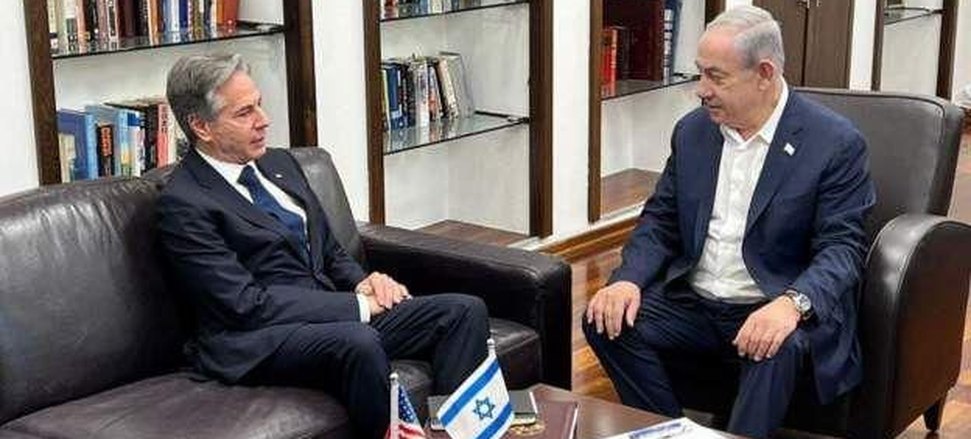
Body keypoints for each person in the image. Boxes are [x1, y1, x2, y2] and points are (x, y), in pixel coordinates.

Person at [156, 53, 489, 439]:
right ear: (201, 126)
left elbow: (327, 249)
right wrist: (357, 306)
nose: (263, 120)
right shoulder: (184, 202)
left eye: (259, 104)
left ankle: (456, 433)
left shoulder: (279, 164)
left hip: (328, 314)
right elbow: (244, 304)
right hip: (258, 338)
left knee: (463, 312)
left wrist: (362, 282)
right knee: (359, 341)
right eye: (245, 112)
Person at [583, 6, 875, 438]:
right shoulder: (693, 132)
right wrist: (627, 280)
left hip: (772, 300)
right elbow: (661, 220)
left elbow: (843, 248)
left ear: (764, 73)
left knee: (776, 344)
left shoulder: (834, 142)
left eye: (715, 77)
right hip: (695, 302)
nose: (701, 90)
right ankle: (673, 433)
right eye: (699, 73)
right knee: (604, 319)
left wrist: (791, 304)